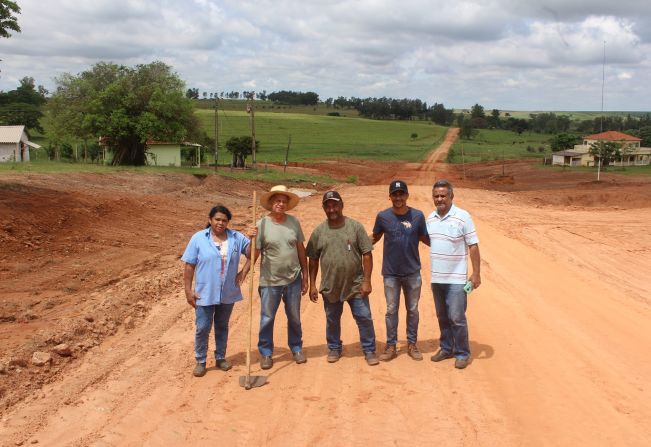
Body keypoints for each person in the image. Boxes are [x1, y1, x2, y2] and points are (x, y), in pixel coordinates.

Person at [307, 190, 379, 366]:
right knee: (332, 318)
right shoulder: (319, 232)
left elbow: (367, 254)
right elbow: (313, 259)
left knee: (363, 317)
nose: (332, 209)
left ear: (341, 205)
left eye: (335, 205)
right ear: (324, 208)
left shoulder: (355, 227)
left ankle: (369, 349)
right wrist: (312, 285)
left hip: (355, 284)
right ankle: (334, 347)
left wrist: (367, 280)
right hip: (331, 285)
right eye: (328, 206)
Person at [182, 204, 252, 377]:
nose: (221, 223)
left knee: (222, 326)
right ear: (210, 220)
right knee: (203, 327)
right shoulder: (198, 238)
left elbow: (253, 253)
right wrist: (188, 291)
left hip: (227, 291)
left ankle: (220, 357)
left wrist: (244, 271)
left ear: (228, 222)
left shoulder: (236, 237)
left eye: (224, 220)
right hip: (205, 292)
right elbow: (189, 266)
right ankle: (201, 360)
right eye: (217, 219)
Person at [371, 180, 429, 362]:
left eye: (401, 194)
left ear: (407, 196)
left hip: (412, 272)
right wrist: (353, 244)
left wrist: (450, 246)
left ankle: (412, 344)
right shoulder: (383, 217)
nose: (398, 198)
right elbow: (375, 237)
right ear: (390, 196)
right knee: (391, 310)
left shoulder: (418, 216)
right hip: (391, 273)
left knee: (413, 310)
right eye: (394, 194)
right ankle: (391, 345)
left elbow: (425, 238)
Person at [426, 179, 481, 369]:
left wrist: (476, 274)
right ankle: (446, 348)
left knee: (457, 317)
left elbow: (473, 245)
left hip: (456, 280)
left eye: (443, 195)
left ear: (451, 196)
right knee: (442, 316)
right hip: (436, 278)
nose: (439, 199)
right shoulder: (430, 218)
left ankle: (463, 353)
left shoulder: (463, 216)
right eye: (436, 196)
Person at [255, 185, 308, 370]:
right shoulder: (261, 224)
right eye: (277, 201)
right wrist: (246, 270)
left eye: (284, 201)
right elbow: (254, 252)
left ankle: (296, 348)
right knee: (267, 318)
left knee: (294, 317)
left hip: (293, 278)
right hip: (270, 281)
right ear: (271, 203)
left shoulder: (294, 222)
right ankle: (266, 353)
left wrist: (305, 275)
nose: (281, 204)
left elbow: (301, 249)